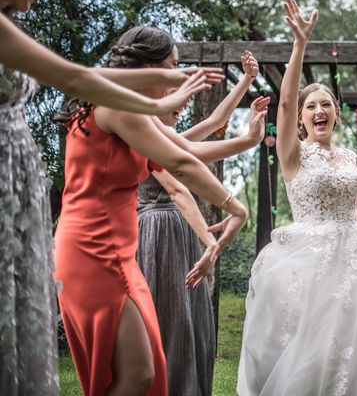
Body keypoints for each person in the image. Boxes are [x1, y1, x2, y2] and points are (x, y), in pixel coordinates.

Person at [0, 0, 219, 393]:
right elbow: (78, 78)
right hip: (55, 216)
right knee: (134, 369)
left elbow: (90, 78)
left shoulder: (10, 26)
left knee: (135, 369)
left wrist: (162, 100)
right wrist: (161, 102)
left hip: (28, 191)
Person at [54, 26, 263, 395]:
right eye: (171, 68)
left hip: (115, 252)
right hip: (93, 250)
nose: (174, 80)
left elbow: (188, 150)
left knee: (141, 372)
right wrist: (234, 207)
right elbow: (181, 165)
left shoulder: (128, 110)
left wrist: (247, 139)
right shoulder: (117, 106)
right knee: (137, 374)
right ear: (148, 67)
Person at [236, 0, 357, 395]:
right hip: (310, 267)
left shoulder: (350, 158)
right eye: (310, 106)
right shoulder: (292, 154)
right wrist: (300, 45)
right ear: (300, 119)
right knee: (311, 354)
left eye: (326, 104)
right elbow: (283, 100)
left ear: (335, 113)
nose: (319, 110)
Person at [118, 26, 268, 396]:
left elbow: (216, 123)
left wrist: (247, 81)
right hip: (157, 232)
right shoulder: (142, 130)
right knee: (172, 319)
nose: (179, 102)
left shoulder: (163, 137)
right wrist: (210, 241)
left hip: (175, 231)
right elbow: (181, 185)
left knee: (188, 319)